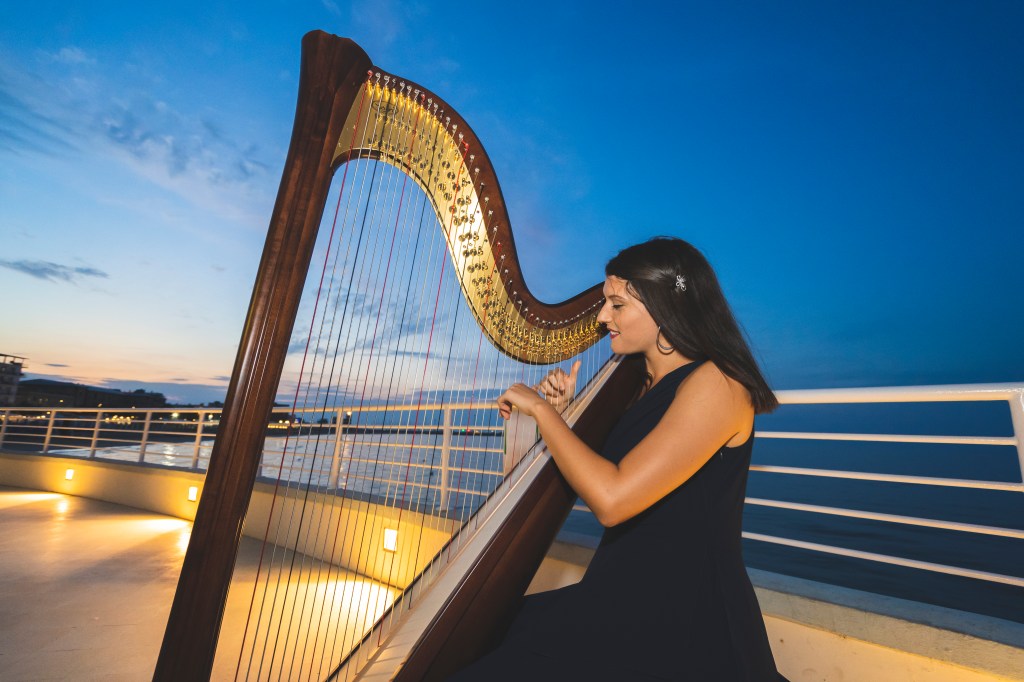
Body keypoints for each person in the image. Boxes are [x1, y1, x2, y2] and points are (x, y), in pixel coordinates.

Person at [448, 236, 787, 681]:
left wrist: (544, 412)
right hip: (619, 595)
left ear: (665, 309)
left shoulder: (719, 384)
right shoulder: (635, 385)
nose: (602, 316)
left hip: (681, 619)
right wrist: (560, 418)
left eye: (617, 304)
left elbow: (612, 499)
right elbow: (544, 483)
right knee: (481, 637)